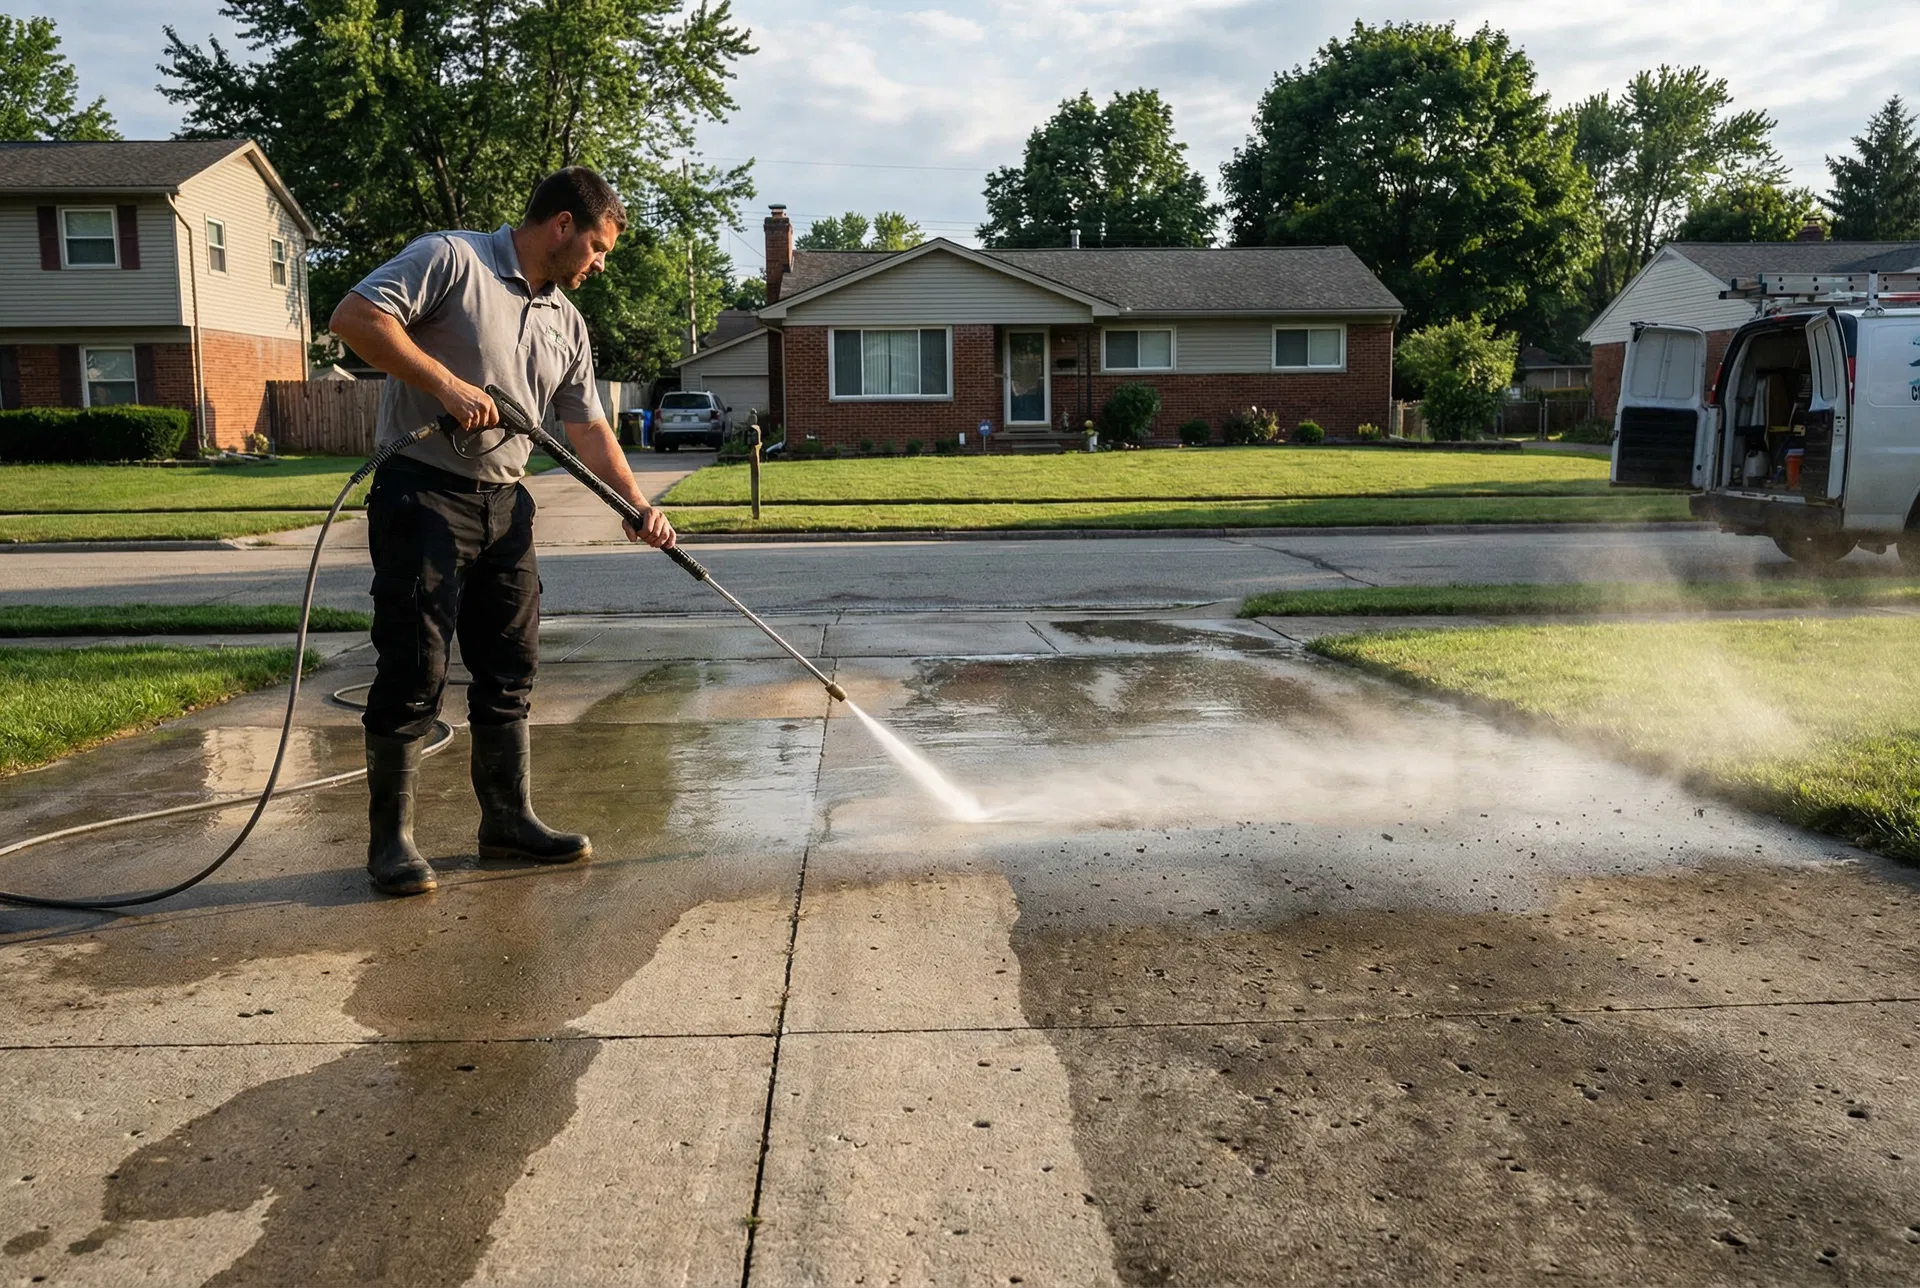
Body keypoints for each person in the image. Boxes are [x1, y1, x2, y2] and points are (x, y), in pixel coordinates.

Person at [329, 166, 677, 897]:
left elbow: (585, 425)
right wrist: (446, 385)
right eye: (598, 248)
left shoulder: (566, 321)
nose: (599, 264)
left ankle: (507, 824)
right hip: (421, 494)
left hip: (506, 502)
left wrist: (636, 503)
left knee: (511, 666)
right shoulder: (450, 259)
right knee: (414, 666)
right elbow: (355, 318)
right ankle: (390, 844)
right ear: (561, 227)